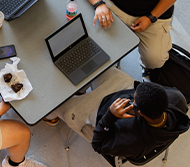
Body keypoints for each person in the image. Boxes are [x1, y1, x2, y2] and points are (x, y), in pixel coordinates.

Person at [48, 67, 190, 159]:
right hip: (121, 90)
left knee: (57, 104)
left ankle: (50, 117)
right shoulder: (177, 98)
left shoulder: (132, 141)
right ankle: (82, 89)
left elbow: (98, 145)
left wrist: (110, 116)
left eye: (133, 99)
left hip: (103, 119)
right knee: (98, 66)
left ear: (139, 112)